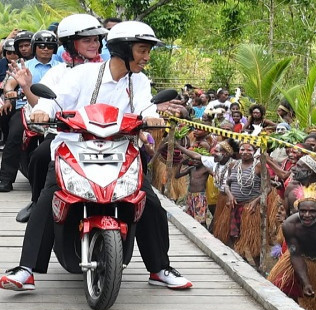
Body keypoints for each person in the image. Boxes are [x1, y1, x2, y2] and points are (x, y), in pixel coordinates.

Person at [0, 21, 192, 291]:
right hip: (76, 148)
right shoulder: (83, 74)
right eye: (142, 50)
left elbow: (147, 106)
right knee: (48, 197)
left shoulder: (138, 80)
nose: (147, 57)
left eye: (148, 51)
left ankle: (159, 267)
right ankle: (26, 269)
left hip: (120, 150)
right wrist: (42, 111)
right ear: (124, 49)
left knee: (150, 203)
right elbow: (54, 100)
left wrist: (152, 117)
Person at [13, 14, 108, 222]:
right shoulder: (58, 73)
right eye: (87, 40)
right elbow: (42, 105)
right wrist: (27, 87)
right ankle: (38, 202)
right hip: (66, 135)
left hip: (106, 136)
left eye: (96, 40)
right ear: (71, 44)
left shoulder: (108, 71)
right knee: (39, 157)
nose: (94, 44)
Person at [0, 30, 60, 193]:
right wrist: (9, 91)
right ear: (35, 47)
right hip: (26, 108)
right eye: (41, 46)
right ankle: (5, 179)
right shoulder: (24, 65)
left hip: (56, 110)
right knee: (15, 134)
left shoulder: (61, 66)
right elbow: (10, 83)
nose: (45, 49)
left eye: (49, 46)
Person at [176, 155, 210, 227]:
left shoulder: (206, 169)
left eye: (198, 160)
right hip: (190, 196)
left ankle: (203, 232)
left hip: (200, 196)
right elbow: (177, 175)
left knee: (201, 218)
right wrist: (180, 163)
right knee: (190, 217)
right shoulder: (191, 169)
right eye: (194, 159)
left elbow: (215, 175)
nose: (195, 161)